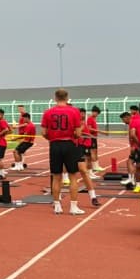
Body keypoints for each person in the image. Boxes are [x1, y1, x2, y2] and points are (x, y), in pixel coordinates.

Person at [41, 88, 86, 216]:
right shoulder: (74, 111)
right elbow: (78, 133)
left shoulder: (48, 112)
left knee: (56, 177)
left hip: (55, 144)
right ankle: (73, 206)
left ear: (55, 98)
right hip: (69, 144)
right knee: (73, 176)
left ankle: (57, 205)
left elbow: (43, 133)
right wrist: (74, 136)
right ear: (67, 98)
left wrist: (53, 138)